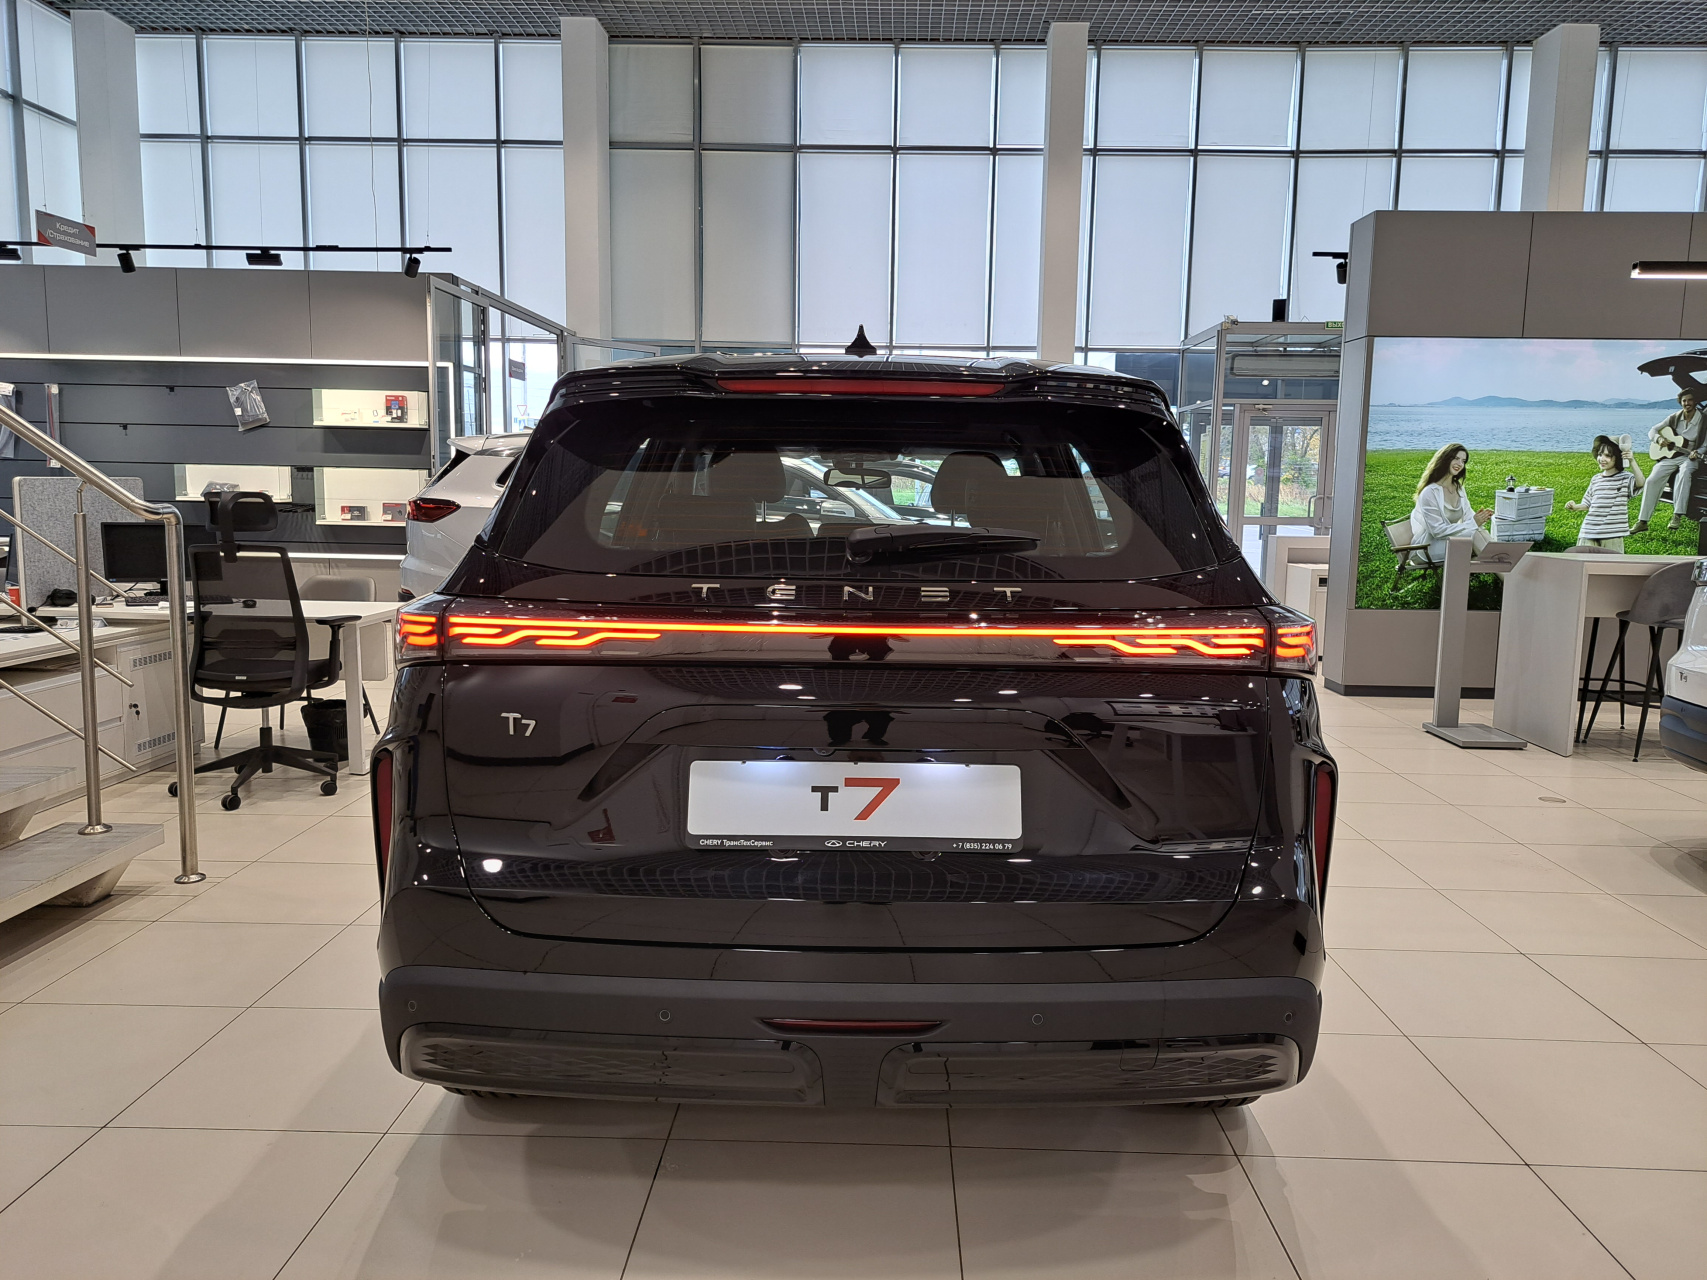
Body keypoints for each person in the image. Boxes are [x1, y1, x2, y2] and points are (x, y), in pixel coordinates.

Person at [1632, 387, 1703, 532]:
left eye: (1690, 400)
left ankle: (1677, 515)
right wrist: (1659, 439)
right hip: (1672, 455)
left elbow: (1706, 443)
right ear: (1680, 402)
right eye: (1684, 401)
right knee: (1652, 480)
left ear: (1695, 401)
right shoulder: (1674, 417)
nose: (1687, 403)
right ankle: (1642, 521)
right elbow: (1652, 430)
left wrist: (1698, 452)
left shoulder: (1704, 419)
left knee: (1684, 473)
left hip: (1690, 456)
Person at [1408, 442, 1491, 565]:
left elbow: (1469, 517)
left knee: (1479, 532)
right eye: (1456, 458)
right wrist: (1473, 523)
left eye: (1463, 461)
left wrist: (1482, 517)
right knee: (1475, 534)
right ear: (1445, 459)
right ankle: (1505, 568)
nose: (1460, 464)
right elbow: (1437, 531)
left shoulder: (1458, 488)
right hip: (1427, 548)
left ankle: (1501, 566)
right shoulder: (1430, 492)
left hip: (1448, 541)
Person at [1565, 434, 1644, 552]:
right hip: (1588, 531)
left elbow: (1641, 483)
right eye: (1600, 454)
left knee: (1611, 562)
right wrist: (1575, 506)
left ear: (1618, 457)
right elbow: (1587, 504)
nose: (1602, 459)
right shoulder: (1595, 479)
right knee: (1585, 560)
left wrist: (1631, 460)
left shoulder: (1625, 478)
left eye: (1607, 456)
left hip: (1612, 533)